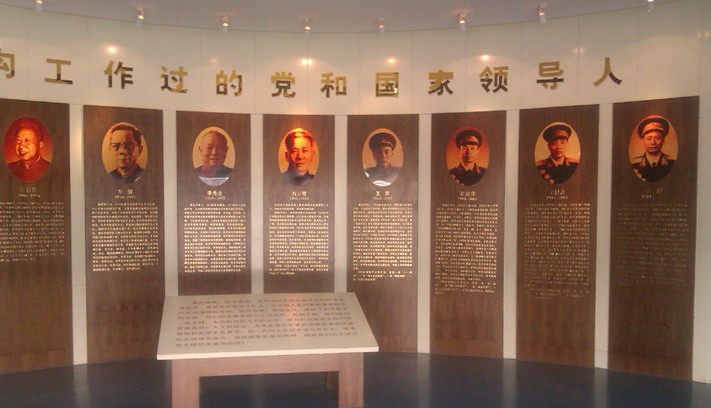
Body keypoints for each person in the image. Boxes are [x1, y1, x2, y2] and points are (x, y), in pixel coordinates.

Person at [631, 116, 674, 182]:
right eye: (649, 138)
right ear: (643, 140)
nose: (653, 142)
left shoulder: (672, 163)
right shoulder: (634, 165)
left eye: (657, 138)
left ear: (663, 140)